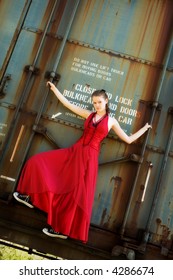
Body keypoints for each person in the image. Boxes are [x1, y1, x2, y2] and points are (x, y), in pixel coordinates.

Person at [13, 81, 151, 243]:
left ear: (106, 101)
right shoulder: (89, 115)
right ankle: (29, 197)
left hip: (89, 159)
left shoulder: (111, 121)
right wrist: (55, 89)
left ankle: (61, 229)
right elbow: (67, 104)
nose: (97, 105)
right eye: (94, 102)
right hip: (75, 152)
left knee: (75, 194)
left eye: (99, 102)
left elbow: (128, 139)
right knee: (38, 161)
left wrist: (144, 128)